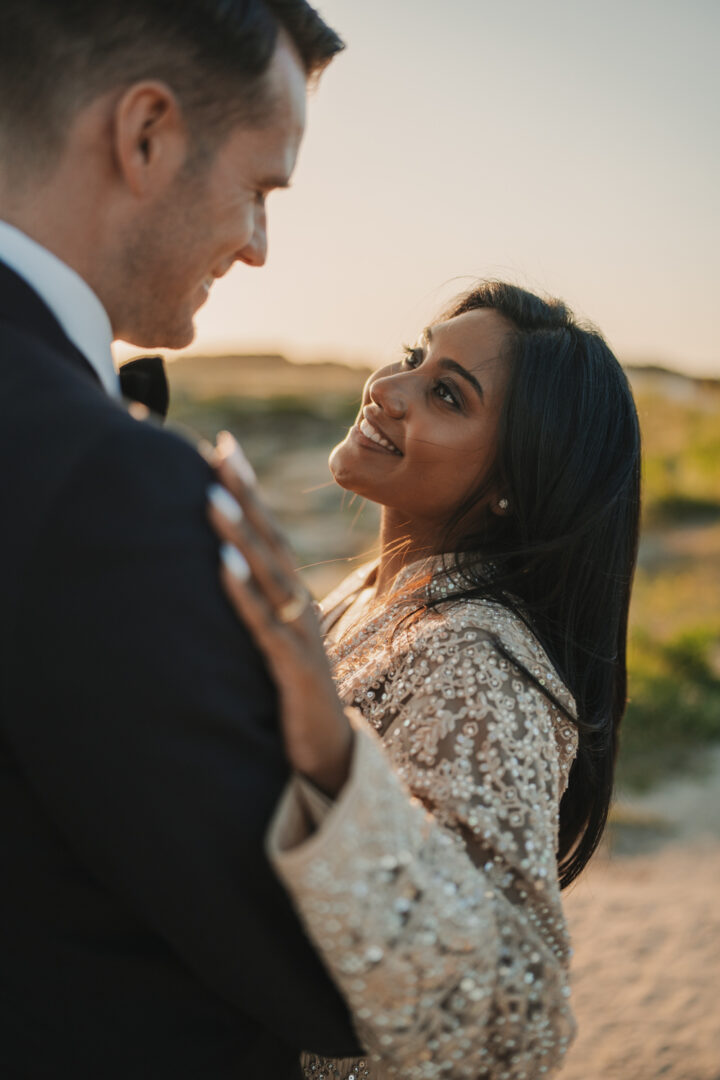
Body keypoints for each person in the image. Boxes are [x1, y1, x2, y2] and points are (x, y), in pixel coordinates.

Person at [0, 3, 367, 1077]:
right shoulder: (112, 488)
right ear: (147, 134)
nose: (258, 246)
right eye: (261, 190)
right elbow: (322, 978)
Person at [207, 281, 642, 1079]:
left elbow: (507, 1038)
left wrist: (333, 755)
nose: (388, 388)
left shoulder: (480, 664)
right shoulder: (367, 592)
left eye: (447, 394)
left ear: (515, 481)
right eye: (415, 355)